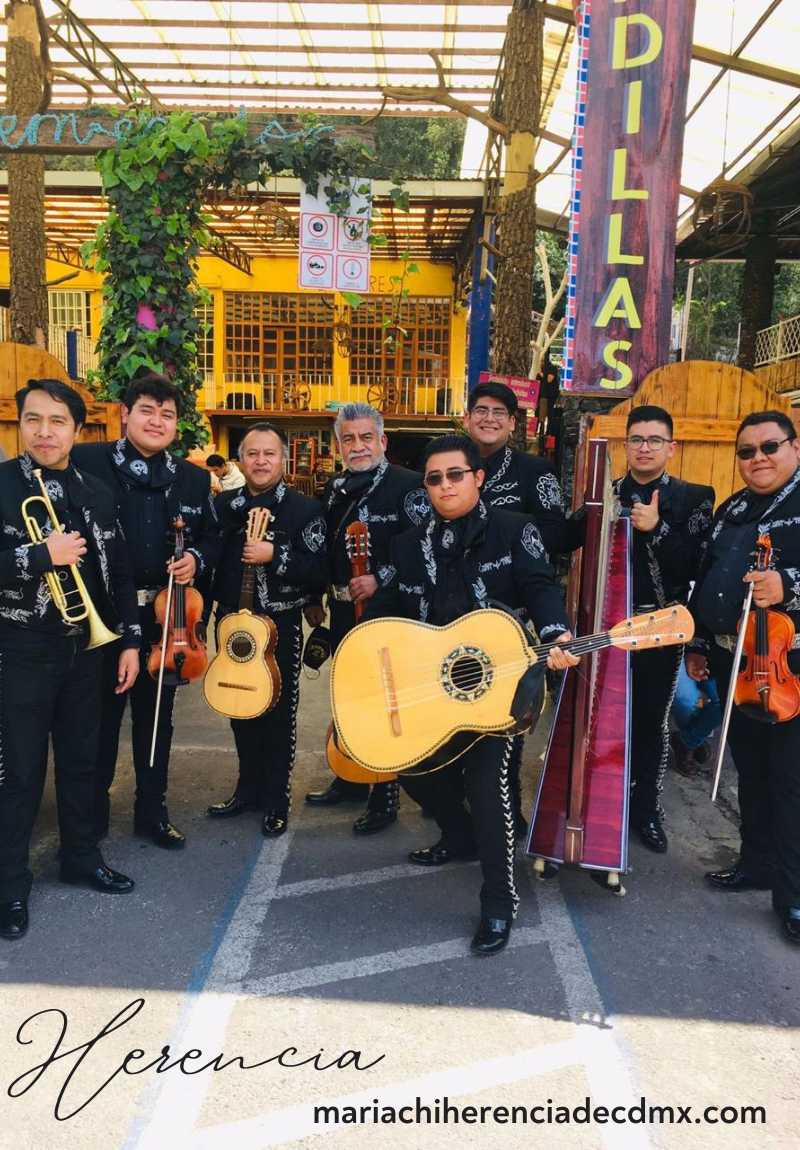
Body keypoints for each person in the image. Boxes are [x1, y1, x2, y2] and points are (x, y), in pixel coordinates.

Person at [362, 434, 577, 955]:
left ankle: (498, 904)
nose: (444, 486)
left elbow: (541, 586)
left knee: (489, 788)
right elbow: (387, 611)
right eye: (433, 478)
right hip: (431, 685)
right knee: (411, 768)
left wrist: (555, 633)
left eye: (455, 474)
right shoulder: (409, 544)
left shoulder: (514, 529)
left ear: (478, 479)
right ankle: (456, 836)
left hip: (497, 684)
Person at [0, 379, 139, 941]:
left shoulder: (97, 492)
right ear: (20, 424)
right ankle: (10, 885)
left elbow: (121, 572)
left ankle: (81, 857)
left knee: (84, 762)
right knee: (20, 774)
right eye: (34, 419)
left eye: (57, 421)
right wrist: (39, 555)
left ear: (77, 431)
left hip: (88, 648)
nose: (44, 431)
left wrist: (129, 639)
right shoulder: (2, 485)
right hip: (21, 651)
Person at [72, 372, 219, 850]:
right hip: (106, 617)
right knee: (100, 721)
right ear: (125, 414)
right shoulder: (88, 461)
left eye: (168, 414)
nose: (157, 421)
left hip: (167, 621)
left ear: (177, 424)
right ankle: (90, 815)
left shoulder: (195, 479)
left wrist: (196, 558)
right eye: (147, 410)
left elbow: (214, 539)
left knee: (156, 721)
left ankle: (151, 811)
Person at [687, 410, 800, 946]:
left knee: (791, 786)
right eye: (747, 451)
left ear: (794, 448)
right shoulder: (733, 507)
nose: (758, 458)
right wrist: (700, 646)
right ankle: (755, 863)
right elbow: (708, 576)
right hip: (741, 665)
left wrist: (790, 583)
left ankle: (794, 895)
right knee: (751, 775)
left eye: (770, 447)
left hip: (792, 669)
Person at [304, 403, 429, 834]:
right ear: (338, 445)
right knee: (349, 695)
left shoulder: (409, 487)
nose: (357, 447)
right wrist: (314, 595)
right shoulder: (336, 488)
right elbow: (326, 548)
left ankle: (385, 795)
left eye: (365, 438)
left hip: (389, 610)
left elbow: (421, 545)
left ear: (382, 441)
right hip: (341, 609)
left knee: (383, 699)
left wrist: (383, 578)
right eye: (348, 439)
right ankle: (351, 778)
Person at [206, 424, 327, 836]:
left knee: (277, 713)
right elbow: (209, 562)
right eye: (252, 453)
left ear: (283, 460)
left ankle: (276, 798)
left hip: (280, 623)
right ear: (241, 459)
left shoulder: (304, 509)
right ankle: (247, 789)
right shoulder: (223, 505)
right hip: (231, 623)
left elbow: (319, 569)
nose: (261, 461)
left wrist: (275, 555)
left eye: (269, 454)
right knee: (238, 707)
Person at [613, 405, 714, 854]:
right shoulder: (606, 491)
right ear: (626, 444)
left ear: (671, 448)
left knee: (651, 723)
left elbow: (697, 565)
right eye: (637, 439)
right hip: (608, 628)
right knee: (608, 722)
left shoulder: (694, 497)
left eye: (655, 440)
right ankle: (606, 803)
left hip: (662, 627)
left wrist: (658, 529)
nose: (645, 447)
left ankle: (646, 810)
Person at [669, 663, 721, 776]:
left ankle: (688, 740)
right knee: (688, 702)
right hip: (681, 652)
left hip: (714, 657)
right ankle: (691, 739)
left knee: (726, 701)